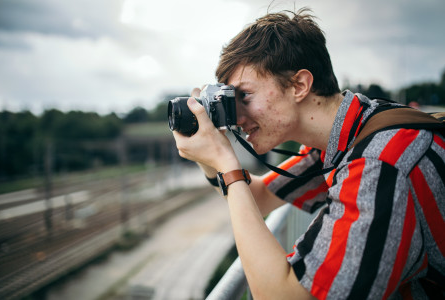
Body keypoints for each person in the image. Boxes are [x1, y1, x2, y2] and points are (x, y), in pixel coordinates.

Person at [172, 8, 445, 299]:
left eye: (245, 96)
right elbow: (258, 197)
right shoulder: (350, 132)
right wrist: (209, 153)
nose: (237, 116)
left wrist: (226, 164)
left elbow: (284, 295)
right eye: (230, 99)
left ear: (299, 85)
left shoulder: (379, 164)